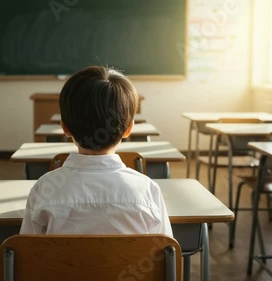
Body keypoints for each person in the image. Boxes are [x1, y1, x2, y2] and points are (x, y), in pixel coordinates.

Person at [20, 66, 173, 236]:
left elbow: (29, 254)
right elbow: (166, 254)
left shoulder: (44, 189)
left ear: (65, 127)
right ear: (128, 129)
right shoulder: (147, 191)